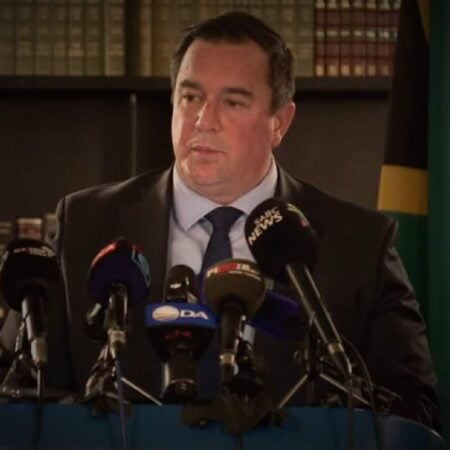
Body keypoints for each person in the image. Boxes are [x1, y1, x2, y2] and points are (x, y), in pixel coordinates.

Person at [0, 11, 440, 430]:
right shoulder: (84, 225)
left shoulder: (360, 244)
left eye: (232, 102)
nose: (203, 120)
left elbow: (415, 414)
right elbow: (15, 391)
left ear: (280, 123)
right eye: (190, 97)